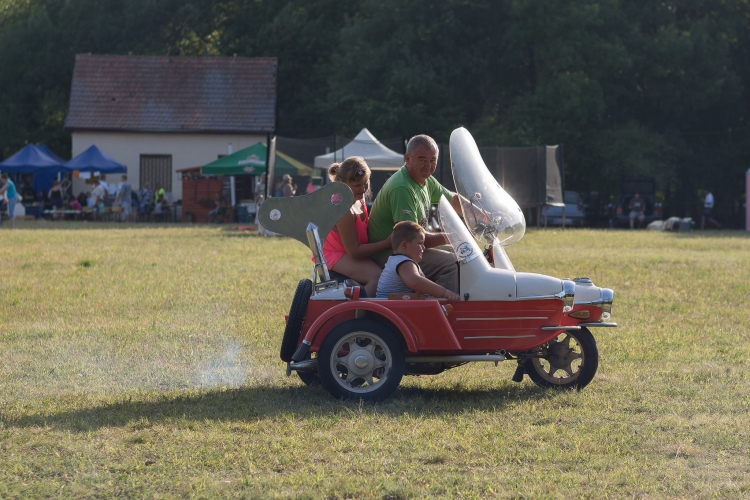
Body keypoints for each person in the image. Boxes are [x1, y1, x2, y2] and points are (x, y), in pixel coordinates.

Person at [368, 134, 464, 293]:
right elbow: (410, 240)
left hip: (408, 248)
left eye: (433, 160)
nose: (428, 165)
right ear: (407, 158)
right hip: (391, 254)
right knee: (452, 262)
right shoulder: (403, 188)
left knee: (463, 253)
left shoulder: (426, 179)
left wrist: (480, 213)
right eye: (422, 159)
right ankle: (444, 310)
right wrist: (457, 235)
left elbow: (452, 200)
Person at [320, 157, 393, 297]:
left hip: (348, 251)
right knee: (378, 278)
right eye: (357, 185)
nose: (363, 189)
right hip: (335, 254)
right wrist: (387, 243)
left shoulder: (358, 198)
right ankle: (358, 313)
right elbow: (354, 251)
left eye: (365, 183)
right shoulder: (343, 209)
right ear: (342, 184)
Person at [376, 221, 460, 302]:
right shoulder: (404, 262)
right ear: (404, 245)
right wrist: (445, 292)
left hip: (396, 308)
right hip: (393, 310)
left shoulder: (397, 260)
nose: (423, 247)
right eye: (420, 243)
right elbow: (415, 282)